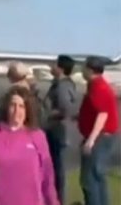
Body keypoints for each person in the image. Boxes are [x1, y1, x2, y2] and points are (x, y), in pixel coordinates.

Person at [0, 86, 59, 205]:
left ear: (27, 110)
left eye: (21, 106)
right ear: (6, 108)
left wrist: (53, 202)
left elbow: (48, 175)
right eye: (12, 105)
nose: (17, 111)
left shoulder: (37, 136)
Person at [77, 56, 119, 205]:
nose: (81, 70)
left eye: (83, 67)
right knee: (97, 176)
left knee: (89, 179)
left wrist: (91, 140)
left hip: (101, 137)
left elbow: (102, 114)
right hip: (104, 136)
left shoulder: (98, 87)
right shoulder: (96, 85)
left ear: (90, 69)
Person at [43, 55, 79, 204]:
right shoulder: (61, 84)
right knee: (56, 168)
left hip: (57, 131)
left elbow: (66, 109)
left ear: (61, 68)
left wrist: (48, 115)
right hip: (58, 130)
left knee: (57, 169)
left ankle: (58, 200)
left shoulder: (63, 86)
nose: (51, 66)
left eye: (54, 64)